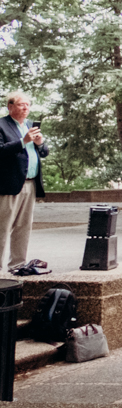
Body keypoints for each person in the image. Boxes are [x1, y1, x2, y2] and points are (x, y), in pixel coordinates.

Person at [0, 92, 46, 275]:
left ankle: (17, 265)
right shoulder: (2, 125)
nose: (26, 108)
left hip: (30, 183)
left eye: (28, 105)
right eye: (21, 105)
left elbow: (44, 152)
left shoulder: (29, 125)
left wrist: (40, 143)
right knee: (2, 227)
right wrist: (23, 141)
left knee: (23, 226)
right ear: (10, 107)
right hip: (9, 184)